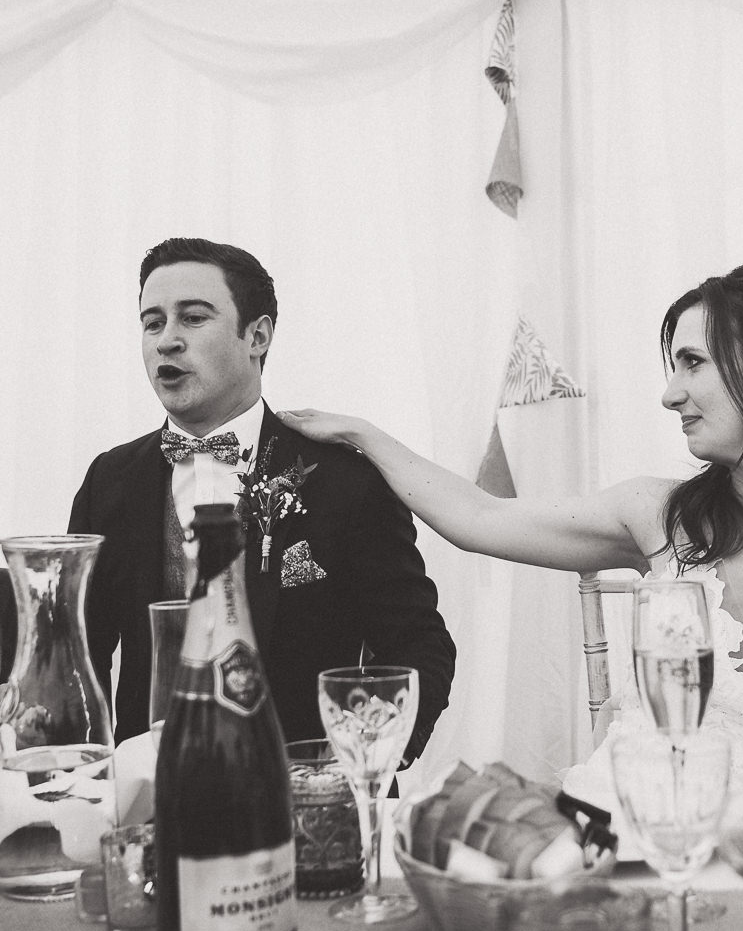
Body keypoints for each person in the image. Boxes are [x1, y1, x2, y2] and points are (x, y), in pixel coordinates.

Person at [281, 259, 743, 799]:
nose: (669, 393)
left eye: (693, 362)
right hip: (605, 840)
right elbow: (479, 517)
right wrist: (359, 434)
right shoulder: (658, 516)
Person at [70, 237, 457, 756]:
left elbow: (418, 645)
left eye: (193, 318)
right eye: (153, 322)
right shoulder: (110, 479)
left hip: (302, 796)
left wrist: (367, 756)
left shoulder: (345, 481)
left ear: (257, 335)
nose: (166, 340)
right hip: (152, 798)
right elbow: (78, 651)